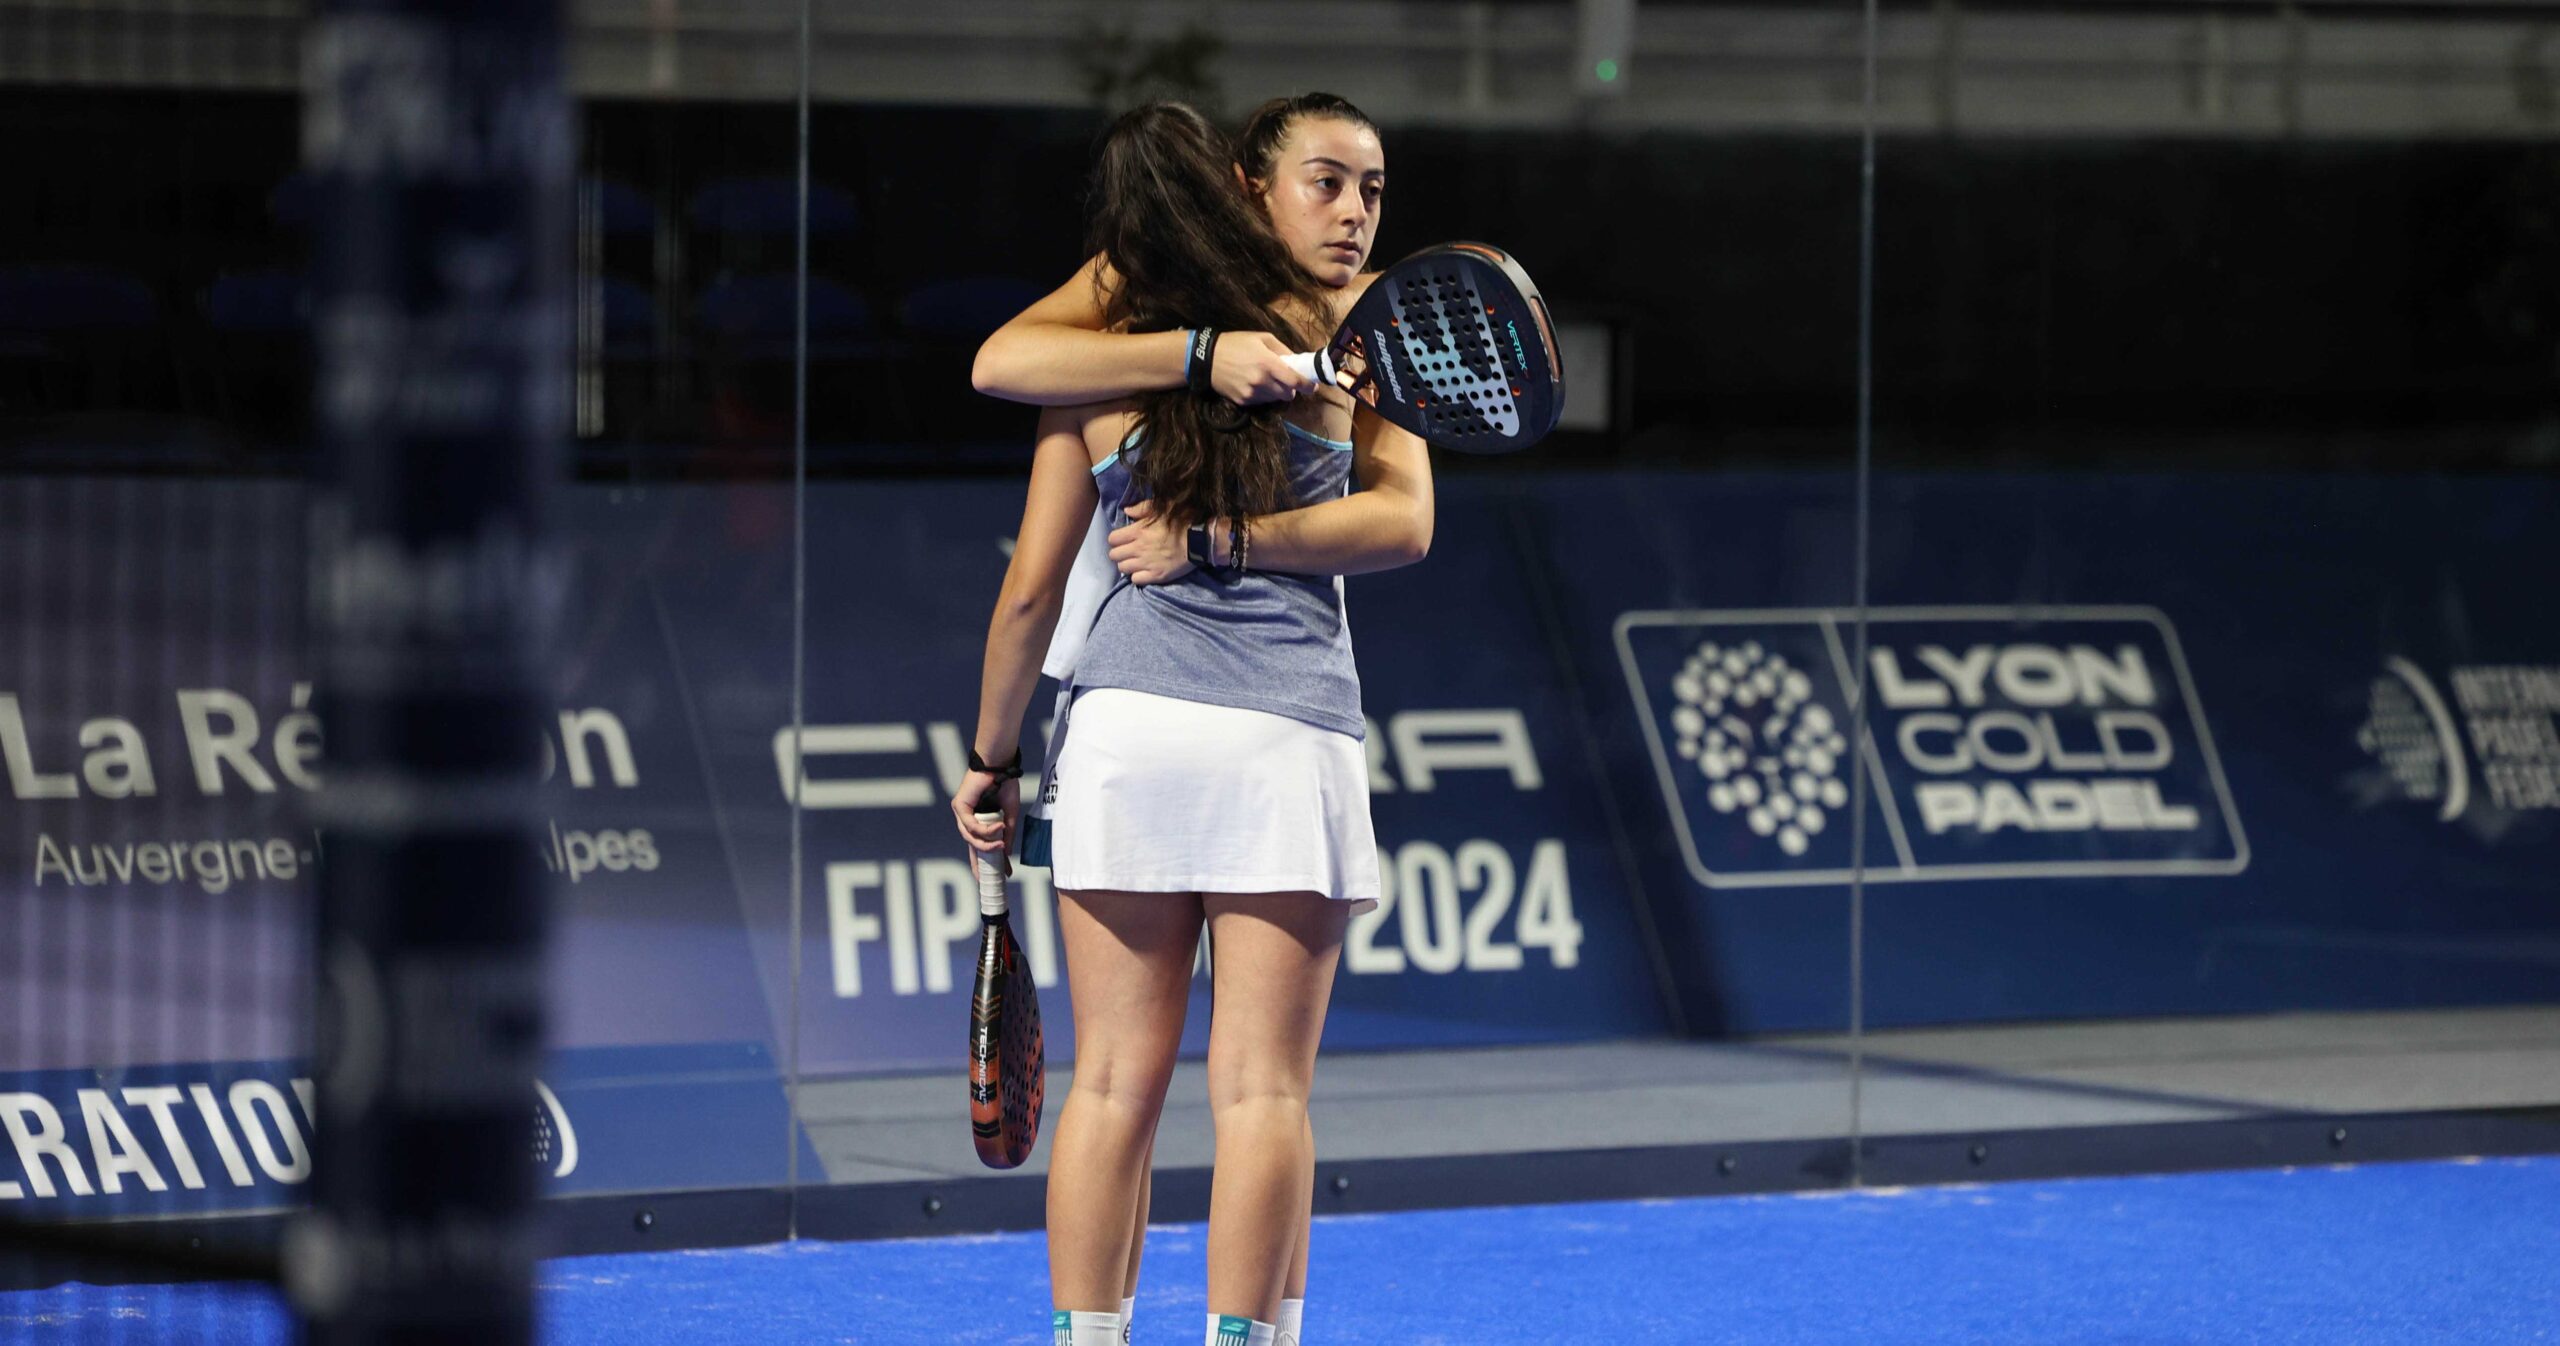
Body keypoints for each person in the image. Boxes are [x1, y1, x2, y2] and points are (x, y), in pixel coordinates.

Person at [949, 96, 1427, 1346]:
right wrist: (1207, 356)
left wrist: (993, 756)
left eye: (1371, 188)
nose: (1354, 211)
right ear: (1244, 187)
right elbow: (1402, 520)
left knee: (1111, 1083)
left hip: (1125, 745)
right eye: (1327, 181)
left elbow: (1026, 598)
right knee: (1264, 1093)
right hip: (1285, 744)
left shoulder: (1106, 352)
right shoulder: (1330, 341)